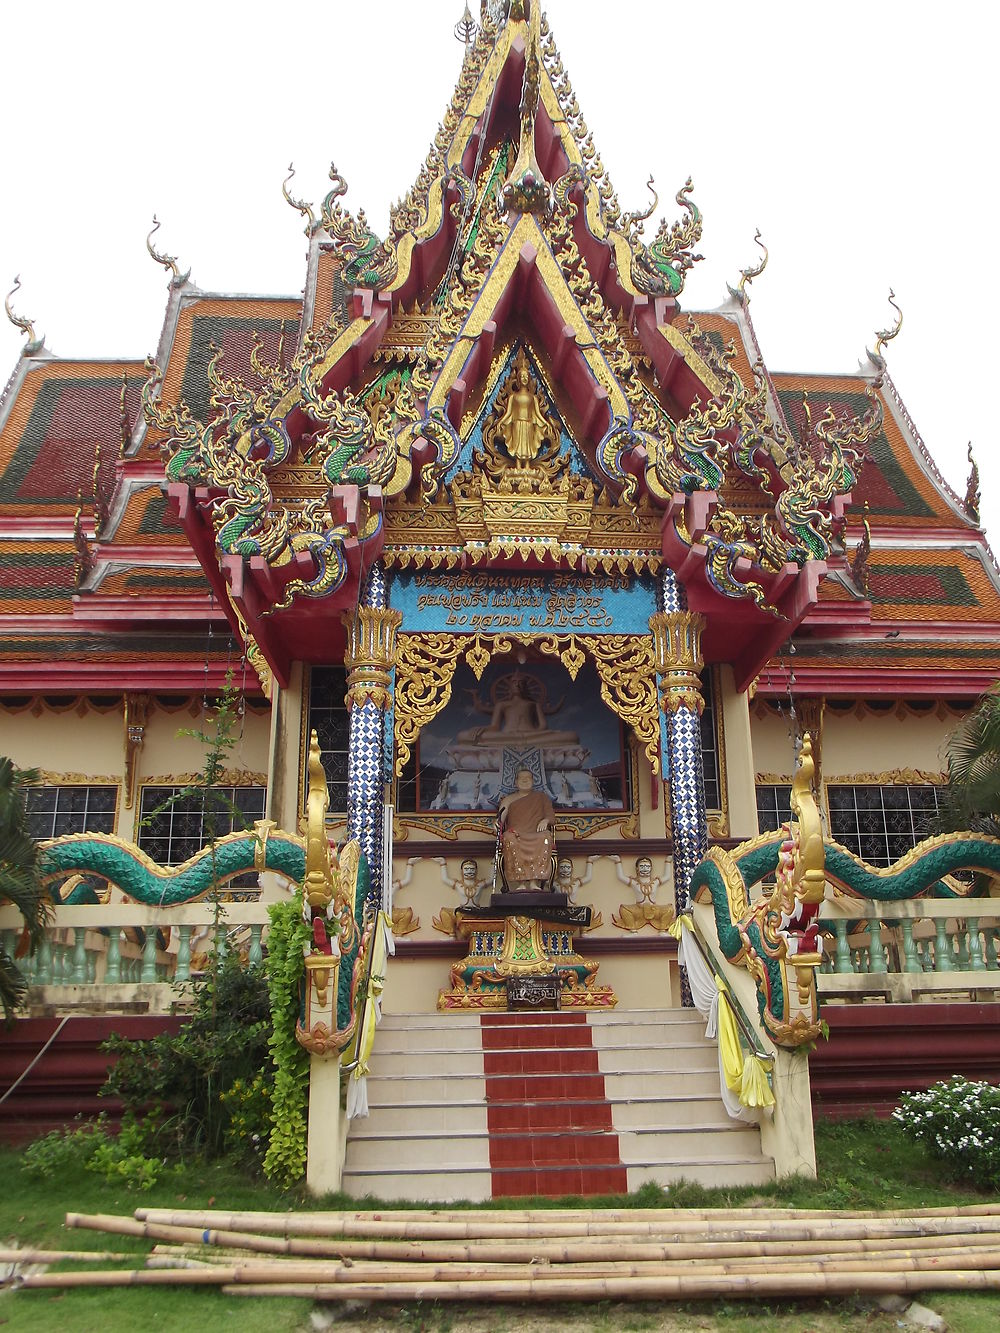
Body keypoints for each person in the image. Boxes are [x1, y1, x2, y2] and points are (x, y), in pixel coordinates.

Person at [497, 768, 556, 891]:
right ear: (515, 782)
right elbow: (500, 819)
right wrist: (497, 823)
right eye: (521, 778)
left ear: (533, 781)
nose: (525, 780)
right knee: (509, 837)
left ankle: (535, 882)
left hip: (536, 833)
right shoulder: (508, 799)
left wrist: (546, 820)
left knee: (545, 837)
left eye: (528, 778)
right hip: (516, 833)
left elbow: (551, 816)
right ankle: (521, 883)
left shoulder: (542, 798)